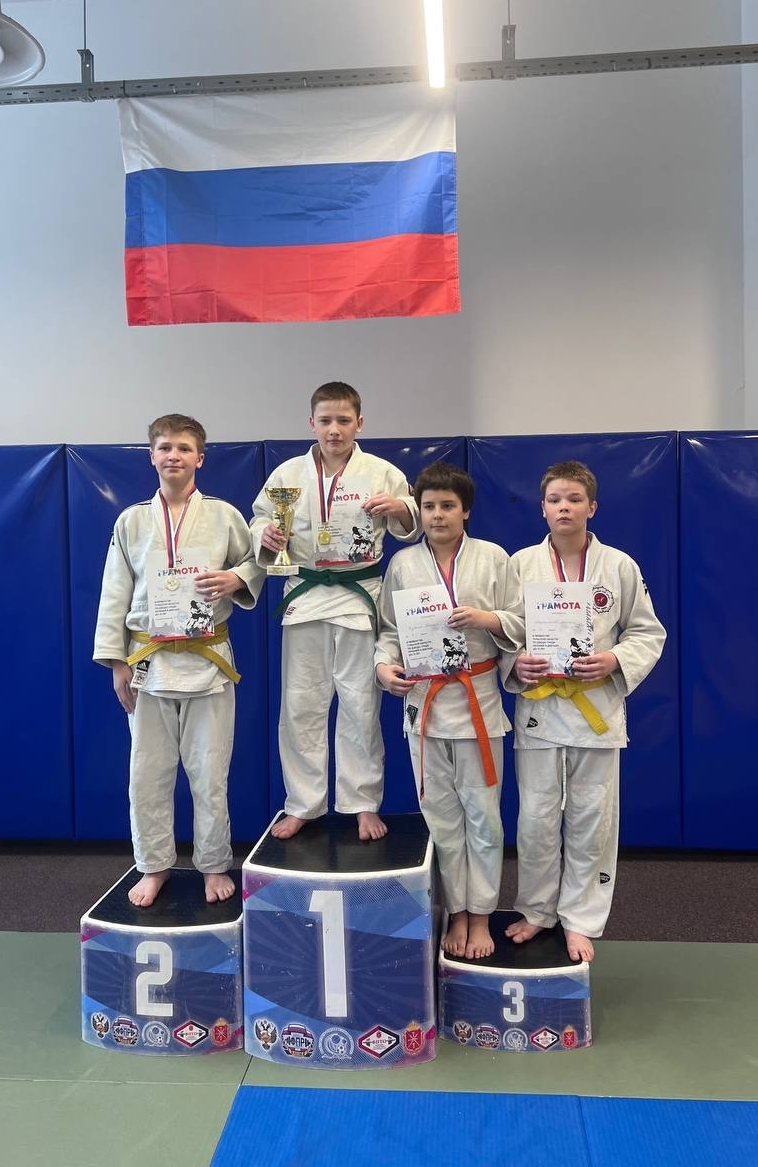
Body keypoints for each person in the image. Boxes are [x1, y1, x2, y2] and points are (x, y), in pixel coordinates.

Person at [94, 414, 264, 907]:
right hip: (147, 662)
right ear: (152, 456)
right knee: (147, 774)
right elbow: (114, 592)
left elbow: (258, 562)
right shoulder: (131, 521)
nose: (174, 456)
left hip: (208, 660)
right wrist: (117, 663)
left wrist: (236, 579)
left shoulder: (225, 515)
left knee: (210, 773)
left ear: (200, 458)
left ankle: (213, 863)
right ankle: (153, 865)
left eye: (184, 448)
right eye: (165, 447)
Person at [507, 459, 666, 962]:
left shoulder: (619, 566)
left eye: (574, 499)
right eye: (555, 499)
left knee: (592, 817)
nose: (564, 507)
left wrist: (614, 659)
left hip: (597, 708)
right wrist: (517, 663)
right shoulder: (520, 565)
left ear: (591, 507)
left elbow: (647, 632)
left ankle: (580, 918)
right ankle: (537, 909)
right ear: (542, 508)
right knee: (535, 817)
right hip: (539, 708)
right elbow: (504, 631)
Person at [251, 382, 418, 842]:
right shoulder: (287, 474)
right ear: (311, 423)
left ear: (359, 423)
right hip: (305, 594)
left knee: (360, 703)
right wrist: (265, 533)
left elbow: (410, 524)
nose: (334, 429)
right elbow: (259, 518)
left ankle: (361, 802)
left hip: (359, 595)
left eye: (344, 420)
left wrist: (401, 507)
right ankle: (303, 803)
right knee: (300, 703)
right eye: (325, 420)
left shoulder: (382, 472)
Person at [375, 461, 521, 960]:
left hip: (478, 705)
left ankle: (481, 914)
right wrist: (384, 668)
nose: (437, 515)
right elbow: (388, 631)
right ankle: (457, 911)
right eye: (429, 506)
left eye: (447, 506)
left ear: (466, 511)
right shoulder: (402, 564)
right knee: (440, 819)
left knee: (484, 819)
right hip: (424, 705)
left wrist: (488, 618)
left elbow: (521, 622)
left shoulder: (494, 559)